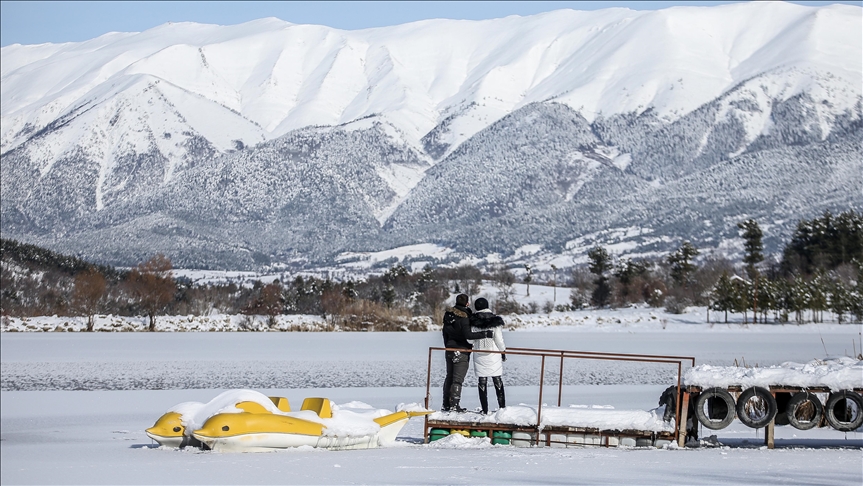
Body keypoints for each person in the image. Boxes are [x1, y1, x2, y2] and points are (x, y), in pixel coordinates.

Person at [442, 294, 493, 413]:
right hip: (461, 350)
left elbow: (444, 333)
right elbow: (468, 336)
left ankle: (446, 404)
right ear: (467, 304)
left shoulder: (448, 315)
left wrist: (448, 346)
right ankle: (454, 405)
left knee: (449, 377)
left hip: (449, 349)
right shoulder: (464, 318)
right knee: (457, 379)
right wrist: (485, 334)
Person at [469, 297, 507, 414]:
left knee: (482, 381)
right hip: (493, 353)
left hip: (479, 354)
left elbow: (469, 340)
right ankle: (502, 408)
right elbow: (499, 340)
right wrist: (503, 351)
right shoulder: (495, 321)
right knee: (497, 379)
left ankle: (485, 410)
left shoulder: (472, 321)